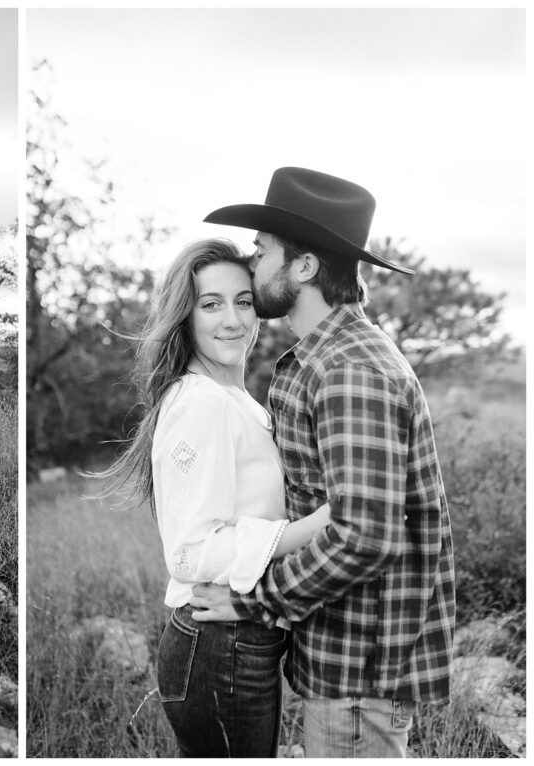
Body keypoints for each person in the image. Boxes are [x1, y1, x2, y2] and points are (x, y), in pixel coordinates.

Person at [189, 167, 455, 758]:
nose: (253, 263)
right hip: (341, 653)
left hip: (359, 664)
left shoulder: (348, 371)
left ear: (303, 267)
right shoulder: (323, 358)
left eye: (263, 252)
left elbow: (365, 536)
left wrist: (251, 600)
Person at [98, 239, 331, 757]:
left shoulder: (237, 399)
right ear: (185, 318)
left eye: (243, 301)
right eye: (211, 304)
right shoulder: (199, 403)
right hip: (216, 646)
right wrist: (318, 525)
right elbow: (189, 554)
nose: (232, 319)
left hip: (241, 639)